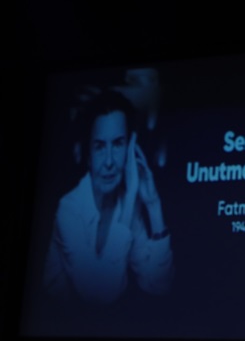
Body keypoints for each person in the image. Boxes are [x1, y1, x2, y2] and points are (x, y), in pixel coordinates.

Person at [43, 89, 174, 305]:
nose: (110, 161)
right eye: (100, 147)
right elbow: (98, 294)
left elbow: (158, 285)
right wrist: (131, 196)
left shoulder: (126, 205)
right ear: (88, 155)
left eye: (118, 144)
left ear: (131, 149)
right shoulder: (68, 209)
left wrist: (153, 204)